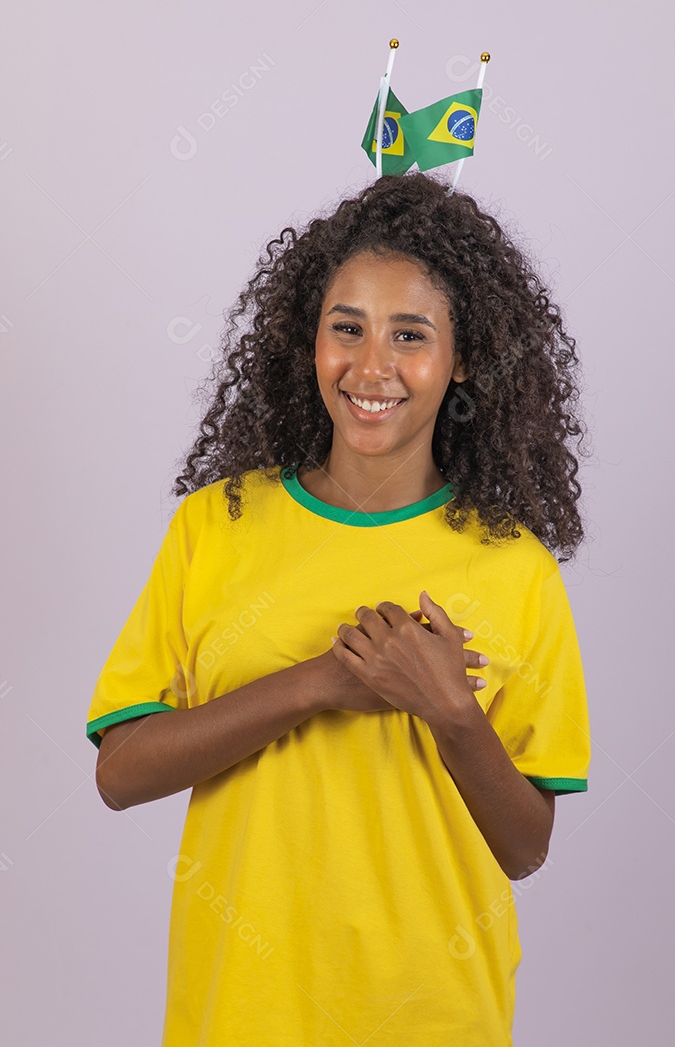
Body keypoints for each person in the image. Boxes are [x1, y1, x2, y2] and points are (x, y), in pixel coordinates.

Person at [86, 170, 592, 1046]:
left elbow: (526, 849)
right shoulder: (217, 525)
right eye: (346, 328)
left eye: (411, 335)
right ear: (308, 338)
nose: (372, 367)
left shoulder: (517, 567)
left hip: (436, 1014)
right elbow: (120, 773)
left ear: (462, 357)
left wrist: (451, 713)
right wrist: (320, 682)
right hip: (241, 1014)